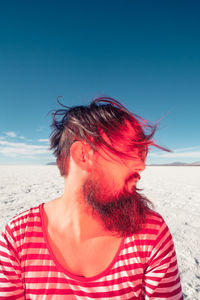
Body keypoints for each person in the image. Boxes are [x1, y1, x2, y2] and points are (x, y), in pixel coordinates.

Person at [0, 97, 183, 299]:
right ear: (83, 155)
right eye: (128, 150)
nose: (141, 166)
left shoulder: (151, 233)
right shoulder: (19, 236)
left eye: (142, 153)